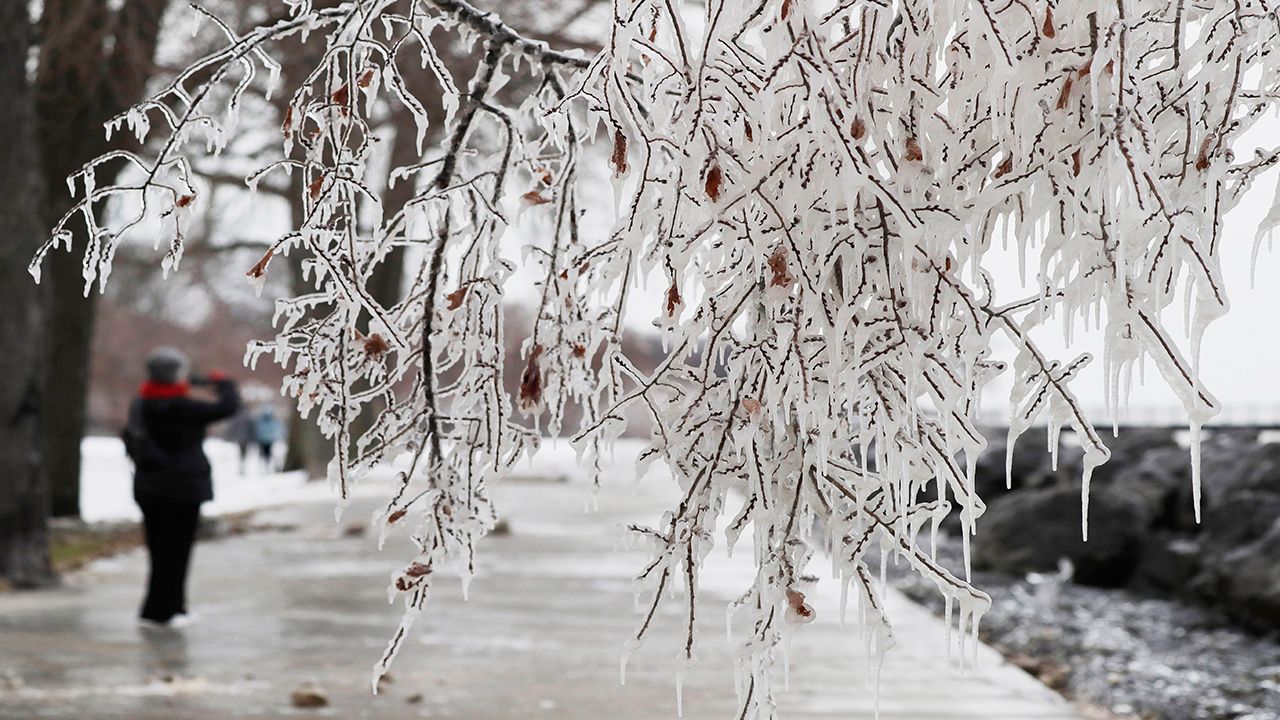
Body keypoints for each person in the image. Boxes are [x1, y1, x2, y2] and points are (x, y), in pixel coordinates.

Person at [123, 347, 239, 628]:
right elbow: (227, 407)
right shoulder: (183, 407)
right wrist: (224, 383)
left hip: (149, 487)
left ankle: (156, 608)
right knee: (178, 551)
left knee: (159, 549)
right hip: (183, 488)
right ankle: (170, 610)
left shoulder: (141, 403)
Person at [251, 406, 283, 471]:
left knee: (264, 453)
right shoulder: (271, 420)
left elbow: (257, 429)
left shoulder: (261, 420)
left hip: (263, 439)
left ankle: (265, 465)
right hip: (267, 440)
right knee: (267, 453)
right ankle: (265, 465)